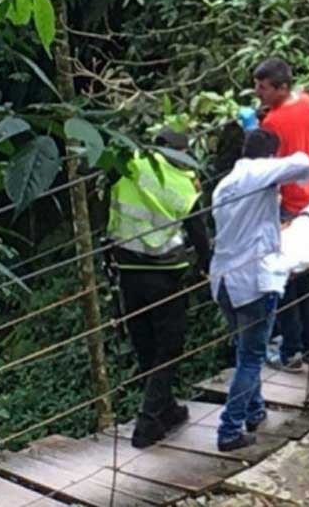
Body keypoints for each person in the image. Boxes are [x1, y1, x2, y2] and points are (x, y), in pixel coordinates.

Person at [210, 129, 309, 452]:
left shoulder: (224, 185)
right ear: (270, 156)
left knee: (246, 351)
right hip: (254, 279)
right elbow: (305, 166)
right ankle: (229, 430)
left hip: (224, 281)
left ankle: (255, 412)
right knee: (252, 357)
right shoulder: (259, 172)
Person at [106, 128, 211, 449]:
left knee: (146, 344)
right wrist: (208, 265)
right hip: (165, 276)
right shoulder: (181, 183)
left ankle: (166, 410)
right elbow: (197, 231)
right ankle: (148, 422)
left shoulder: (129, 166)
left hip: (127, 272)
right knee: (169, 346)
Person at [253, 58, 309, 372]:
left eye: (263, 88)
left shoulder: (271, 124)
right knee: (305, 278)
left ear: (281, 87)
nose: (257, 93)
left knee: (284, 279)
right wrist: (308, 165)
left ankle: (291, 352)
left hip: (286, 205)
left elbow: (265, 171)